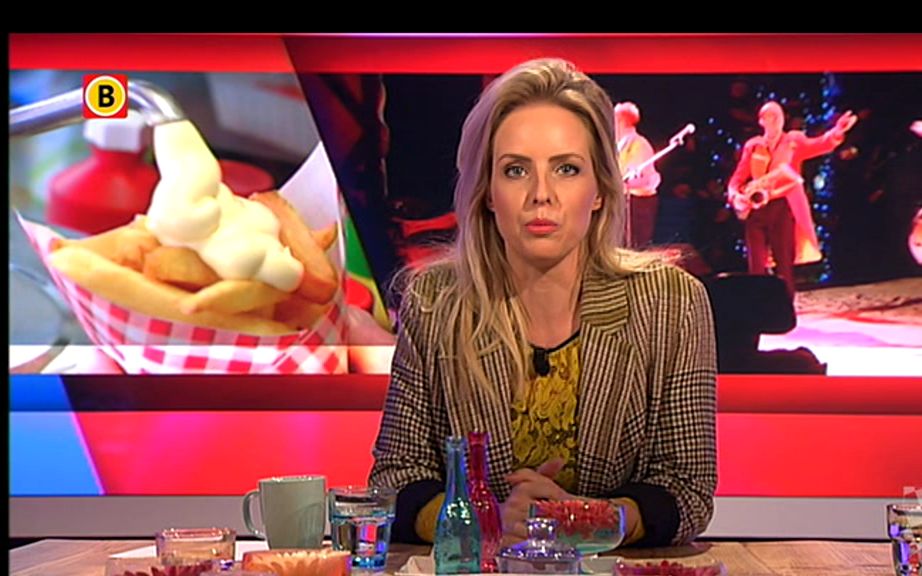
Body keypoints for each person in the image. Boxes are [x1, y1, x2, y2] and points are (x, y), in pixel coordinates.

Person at [369, 58, 717, 549]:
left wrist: (588, 520)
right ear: (488, 192)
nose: (541, 195)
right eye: (515, 171)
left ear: (600, 190)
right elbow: (395, 477)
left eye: (566, 169)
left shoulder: (671, 303)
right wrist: (484, 522)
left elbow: (688, 489)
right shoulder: (436, 302)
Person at [727, 101, 857, 298]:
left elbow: (820, 144)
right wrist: (735, 195)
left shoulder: (793, 140)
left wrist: (837, 131)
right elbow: (738, 177)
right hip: (757, 208)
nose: (775, 119)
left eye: (778, 115)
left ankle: (785, 304)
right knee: (756, 264)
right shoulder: (753, 145)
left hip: (782, 206)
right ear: (761, 121)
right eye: (769, 116)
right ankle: (757, 305)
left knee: (784, 261)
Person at [614, 101, 662, 249]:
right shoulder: (618, 146)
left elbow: (641, 178)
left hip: (638, 204)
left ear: (621, 121)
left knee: (635, 246)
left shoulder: (639, 144)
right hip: (623, 201)